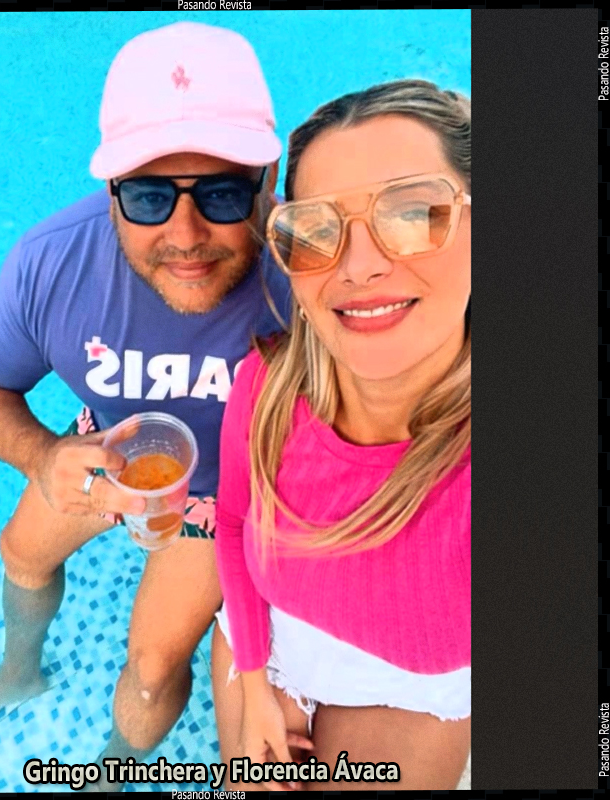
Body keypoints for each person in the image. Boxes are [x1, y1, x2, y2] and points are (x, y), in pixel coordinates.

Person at [0, 20, 290, 790]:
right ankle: (18, 672)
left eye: (223, 192)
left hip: (228, 497)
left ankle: (113, 767)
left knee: (151, 664)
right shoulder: (54, 261)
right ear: (110, 194)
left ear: (269, 179)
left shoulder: (311, 277)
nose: (186, 235)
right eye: (147, 196)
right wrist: (43, 454)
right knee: (20, 553)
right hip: (112, 453)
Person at [212, 79, 472, 790]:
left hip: (406, 693)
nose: (358, 267)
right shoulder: (265, 390)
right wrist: (255, 681)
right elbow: (232, 523)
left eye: (413, 212)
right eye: (317, 230)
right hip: (270, 650)